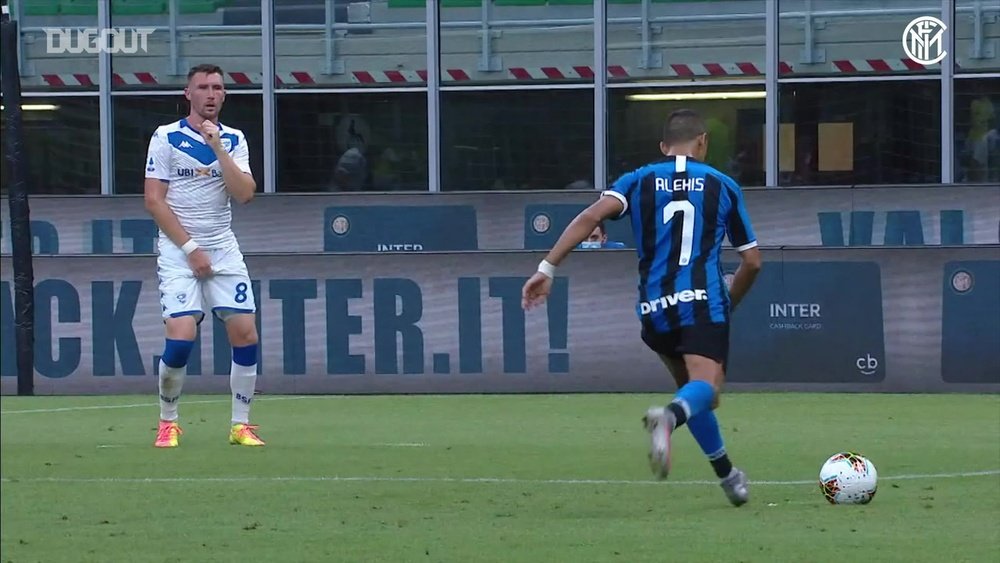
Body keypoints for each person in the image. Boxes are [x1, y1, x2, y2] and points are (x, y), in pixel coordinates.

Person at [521, 109, 762, 506]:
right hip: (702, 301)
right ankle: (668, 418)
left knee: (694, 392)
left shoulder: (637, 179)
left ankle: (728, 477)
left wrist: (547, 267)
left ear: (664, 147)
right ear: (703, 141)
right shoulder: (723, 185)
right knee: (707, 389)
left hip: (654, 307)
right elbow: (752, 261)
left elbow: (590, 216)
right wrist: (727, 303)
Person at [143, 64, 265, 448]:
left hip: (223, 250)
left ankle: (240, 424)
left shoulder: (234, 139)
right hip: (180, 251)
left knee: (245, 333)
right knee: (181, 339)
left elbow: (244, 193)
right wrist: (191, 249)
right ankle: (168, 421)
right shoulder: (165, 138)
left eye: (217, 88)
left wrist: (217, 146)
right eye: (203, 87)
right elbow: (153, 201)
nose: (211, 94)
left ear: (224, 95)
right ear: (188, 94)